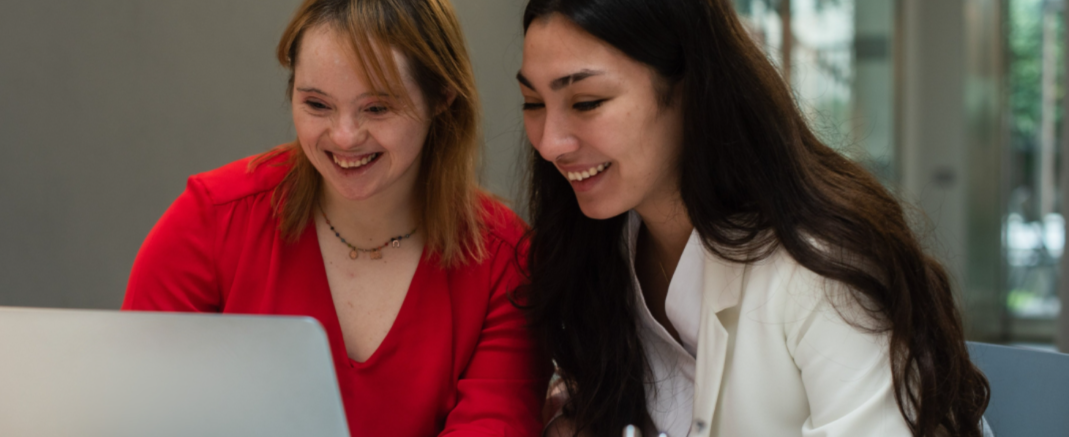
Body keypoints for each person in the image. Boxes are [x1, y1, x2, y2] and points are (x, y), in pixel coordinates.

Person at [516, 1, 989, 436]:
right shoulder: (598, 249)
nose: (551, 142)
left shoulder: (824, 266)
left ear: (690, 88)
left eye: (586, 102)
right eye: (533, 103)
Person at [122, 1, 549, 436]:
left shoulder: (503, 258)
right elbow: (137, 409)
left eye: (377, 108)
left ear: (442, 98)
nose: (345, 136)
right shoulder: (211, 219)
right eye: (317, 105)